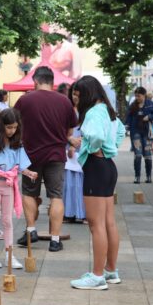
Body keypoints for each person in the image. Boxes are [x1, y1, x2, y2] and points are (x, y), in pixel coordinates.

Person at [70, 75, 125, 290]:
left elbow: (96, 136)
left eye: (77, 95)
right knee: (109, 222)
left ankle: (97, 276)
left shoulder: (93, 112)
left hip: (96, 166)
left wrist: (92, 147)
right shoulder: (107, 109)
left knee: (96, 224)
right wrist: (110, 149)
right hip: (108, 167)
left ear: (87, 94)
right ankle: (110, 271)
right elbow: (119, 131)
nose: (75, 99)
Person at [14, 66, 77, 252]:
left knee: (29, 193)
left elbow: (14, 125)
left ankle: (31, 231)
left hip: (31, 155)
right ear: (52, 81)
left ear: (35, 81)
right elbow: (70, 131)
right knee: (56, 196)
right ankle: (55, 240)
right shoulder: (64, 101)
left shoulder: (24, 100)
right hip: (56, 155)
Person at [0, 109, 38, 269]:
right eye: (9, 127)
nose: (12, 131)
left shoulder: (17, 142)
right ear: (1, 125)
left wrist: (29, 172)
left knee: (7, 220)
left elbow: (20, 165)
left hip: (9, 184)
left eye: (15, 127)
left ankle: (9, 255)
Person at [63, 83, 86, 224]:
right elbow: (62, 130)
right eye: (73, 94)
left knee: (81, 184)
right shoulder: (68, 110)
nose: (75, 97)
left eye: (78, 94)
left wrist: (78, 142)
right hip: (68, 153)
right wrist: (70, 141)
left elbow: (91, 133)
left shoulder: (88, 112)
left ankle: (82, 213)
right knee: (69, 184)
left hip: (83, 152)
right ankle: (69, 213)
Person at [125, 87, 153, 183]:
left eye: (138, 96)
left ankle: (148, 177)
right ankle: (137, 177)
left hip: (147, 134)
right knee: (138, 155)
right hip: (135, 133)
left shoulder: (150, 104)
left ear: (144, 95)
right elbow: (128, 118)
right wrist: (127, 127)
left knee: (148, 155)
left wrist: (149, 117)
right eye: (135, 96)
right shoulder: (133, 105)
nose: (137, 98)